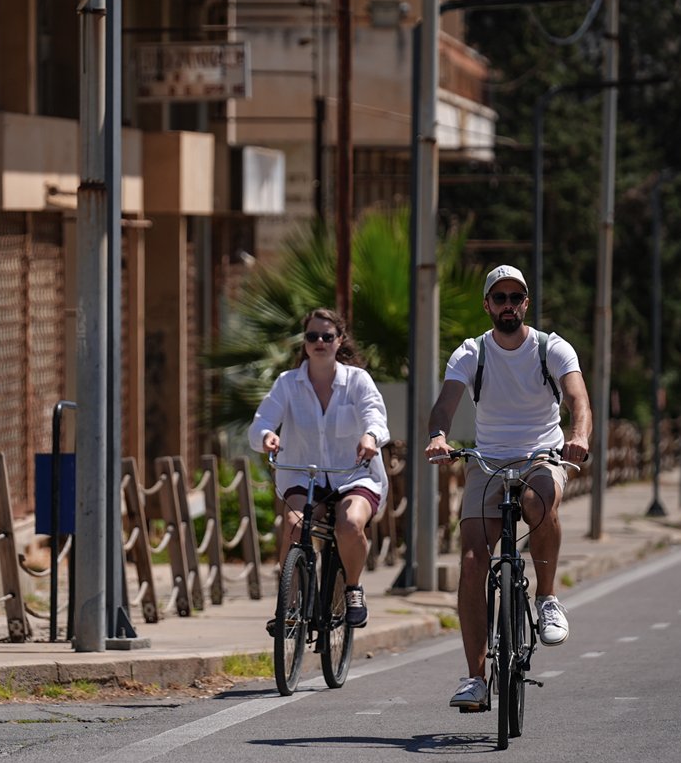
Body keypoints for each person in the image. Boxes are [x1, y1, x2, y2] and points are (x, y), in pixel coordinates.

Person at [425, 264, 591, 712]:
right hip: (488, 458)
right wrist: (438, 437)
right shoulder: (470, 353)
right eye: (499, 298)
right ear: (487, 306)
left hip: (543, 454)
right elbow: (444, 405)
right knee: (474, 556)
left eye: (516, 297)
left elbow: (578, 398)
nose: (508, 306)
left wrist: (579, 437)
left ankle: (547, 597)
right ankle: (476, 678)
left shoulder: (550, 348)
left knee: (538, 502)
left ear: (526, 303)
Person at [249, 307, 391, 631]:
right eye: (313, 336)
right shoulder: (288, 383)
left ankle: (353, 589)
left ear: (340, 340)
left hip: (354, 475)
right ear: (305, 341)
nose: (320, 342)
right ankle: (291, 604)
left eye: (327, 336)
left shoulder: (357, 380)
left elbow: (376, 417)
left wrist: (371, 436)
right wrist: (266, 436)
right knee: (293, 524)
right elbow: (261, 423)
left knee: (350, 524)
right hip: (304, 475)